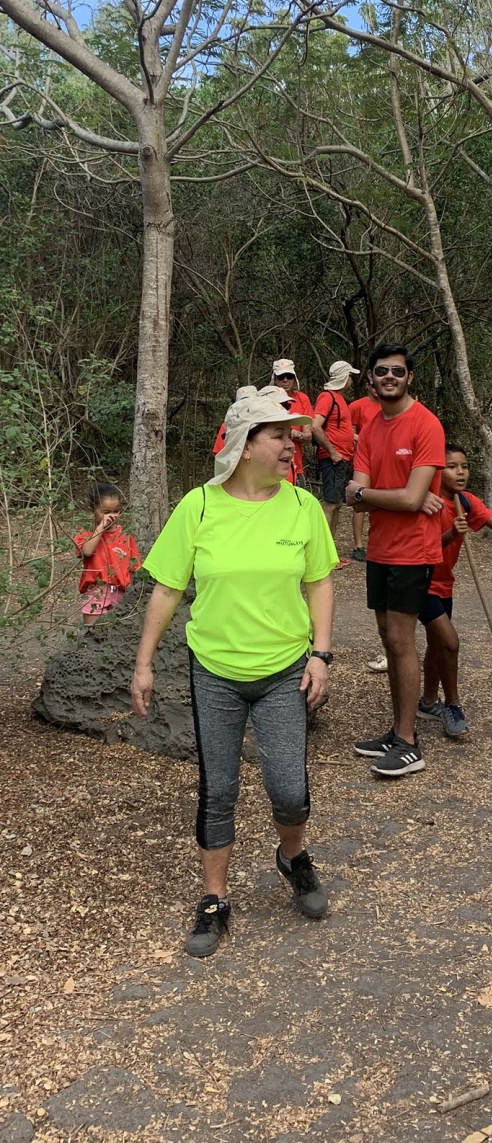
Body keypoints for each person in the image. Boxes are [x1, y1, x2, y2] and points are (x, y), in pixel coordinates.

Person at [130, 393, 337, 959]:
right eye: (279, 436)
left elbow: (319, 581)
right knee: (218, 790)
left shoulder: (303, 508)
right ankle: (215, 899)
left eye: (292, 435)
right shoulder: (198, 507)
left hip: (284, 669)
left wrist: (321, 654)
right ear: (245, 446)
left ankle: (293, 857)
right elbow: (168, 588)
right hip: (216, 670)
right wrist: (144, 663)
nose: (292, 445)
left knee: (288, 789)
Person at [346, 343, 446, 777]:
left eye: (398, 371)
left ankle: (408, 743)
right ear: (371, 378)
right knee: (388, 638)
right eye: (382, 370)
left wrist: (373, 494)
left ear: (410, 378)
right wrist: (390, 497)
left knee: (402, 641)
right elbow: (356, 499)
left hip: (413, 550)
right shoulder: (371, 427)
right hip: (380, 549)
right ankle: (397, 730)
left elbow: (408, 498)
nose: (390, 377)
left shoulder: (425, 424)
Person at [417, 443, 492, 738]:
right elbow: (421, 550)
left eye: (464, 466)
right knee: (449, 642)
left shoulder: (466, 500)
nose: (460, 472)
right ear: (437, 470)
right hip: (420, 583)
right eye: (452, 467)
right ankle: (453, 705)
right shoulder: (427, 502)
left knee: (436, 644)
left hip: (444, 583)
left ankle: (428, 702)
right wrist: (452, 533)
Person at [313, 360, 360, 565]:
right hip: (333, 459)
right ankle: (322, 555)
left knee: (337, 504)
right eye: (349, 376)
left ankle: (330, 553)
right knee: (330, 504)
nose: (351, 380)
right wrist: (332, 451)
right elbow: (315, 426)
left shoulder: (341, 400)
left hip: (343, 459)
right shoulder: (327, 397)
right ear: (343, 377)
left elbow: (346, 431)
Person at [75, 484, 142, 624]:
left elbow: (135, 565)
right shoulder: (87, 533)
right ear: (92, 511)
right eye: (105, 512)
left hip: (121, 592)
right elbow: (87, 551)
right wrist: (100, 528)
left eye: (116, 511)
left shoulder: (125, 535)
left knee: (117, 630)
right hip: (96, 591)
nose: (112, 516)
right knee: (92, 631)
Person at [347, 378, 381, 562]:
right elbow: (347, 432)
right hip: (364, 459)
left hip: (384, 459)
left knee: (382, 499)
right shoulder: (357, 406)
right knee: (360, 497)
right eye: (372, 385)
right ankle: (358, 545)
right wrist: (365, 441)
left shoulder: (389, 406)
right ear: (368, 386)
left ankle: (379, 541)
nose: (376, 389)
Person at [272, 360, 315, 489]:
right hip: (271, 465)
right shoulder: (267, 399)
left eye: (289, 376)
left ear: (294, 378)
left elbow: (308, 436)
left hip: (295, 464)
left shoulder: (302, 399)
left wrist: (293, 434)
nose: (285, 380)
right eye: (281, 377)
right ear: (275, 379)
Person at [212, 385, 257, 455]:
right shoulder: (227, 425)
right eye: (242, 402)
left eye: (250, 402)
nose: (246, 405)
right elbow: (220, 454)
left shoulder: (265, 424)